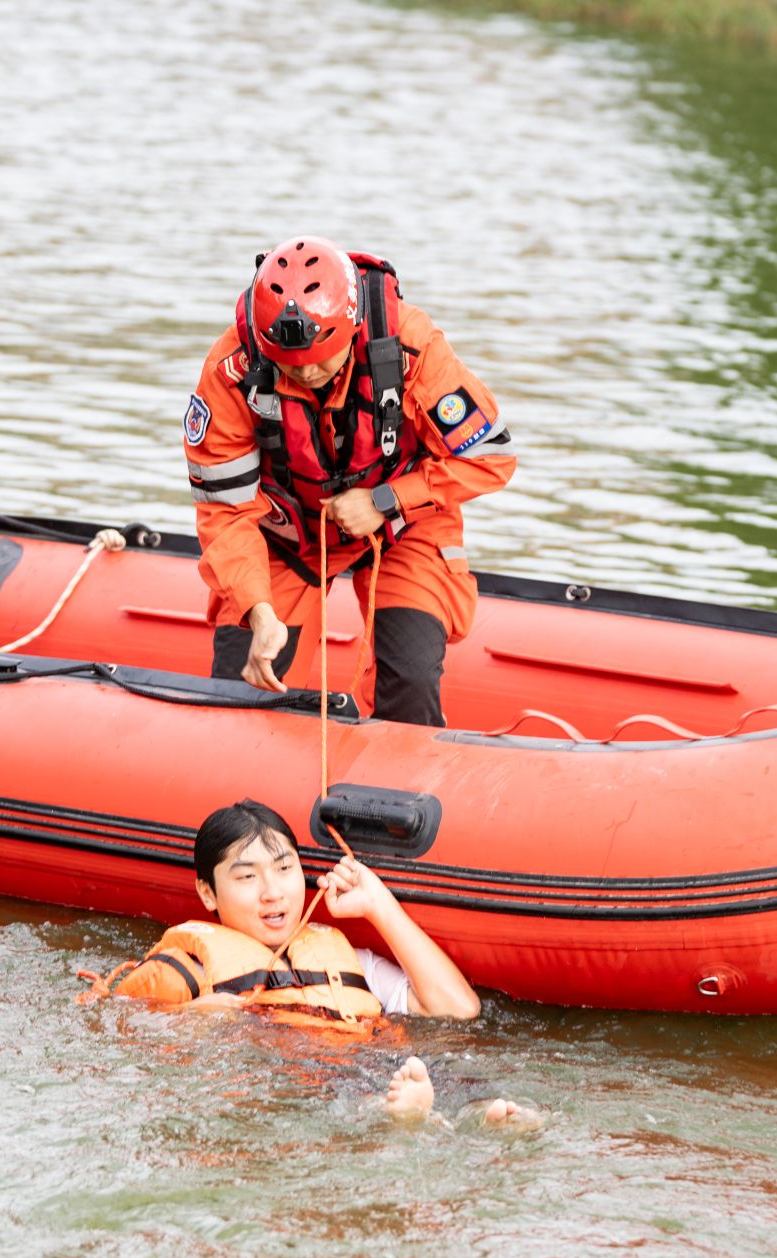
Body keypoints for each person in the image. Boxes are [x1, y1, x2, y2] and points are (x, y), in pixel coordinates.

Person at [182, 237, 518, 725]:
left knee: (411, 681)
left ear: (354, 326)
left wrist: (387, 500)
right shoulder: (230, 371)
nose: (306, 373)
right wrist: (258, 610)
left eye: (322, 359)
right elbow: (226, 513)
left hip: (404, 525)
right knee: (242, 690)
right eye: (290, 364)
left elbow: (491, 457)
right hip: (290, 536)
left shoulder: (411, 346)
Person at [108, 800, 539, 1130]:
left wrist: (379, 905)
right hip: (299, 1085)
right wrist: (193, 1017)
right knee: (339, 1085)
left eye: (284, 868)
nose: (272, 892)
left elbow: (459, 1010)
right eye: (247, 877)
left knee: (449, 1074)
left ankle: (481, 1114)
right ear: (207, 893)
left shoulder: (346, 959)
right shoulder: (191, 971)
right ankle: (390, 1113)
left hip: (374, 1062)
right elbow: (119, 1029)